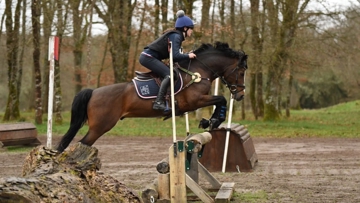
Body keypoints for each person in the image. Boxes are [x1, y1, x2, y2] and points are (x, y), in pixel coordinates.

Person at [139, 10, 197, 111]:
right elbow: (175, 56)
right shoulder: (176, 36)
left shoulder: (176, 36)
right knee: (169, 75)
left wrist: (187, 54)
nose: (192, 31)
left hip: (149, 57)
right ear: (185, 28)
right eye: (191, 28)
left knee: (171, 73)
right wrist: (188, 56)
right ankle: (158, 102)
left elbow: (175, 55)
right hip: (148, 57)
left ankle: (165, 99)